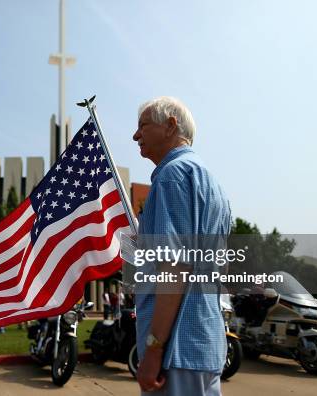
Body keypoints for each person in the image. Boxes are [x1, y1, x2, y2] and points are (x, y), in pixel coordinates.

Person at [133, 97, 231, 396]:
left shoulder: (171, 175)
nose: (136, 136)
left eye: (143, 125)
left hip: (175, 350)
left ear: (170, 126)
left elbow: (174, 268)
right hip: (204, 343)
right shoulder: (211, 182)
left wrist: (153, 349)